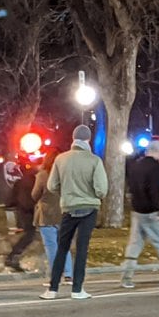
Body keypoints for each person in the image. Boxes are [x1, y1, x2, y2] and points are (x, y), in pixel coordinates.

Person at [40, 125, 108, 300]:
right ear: (88, 140)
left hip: (68, 208)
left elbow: (51, 186)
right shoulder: (94, 160)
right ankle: (77, 289)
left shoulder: (61, 159)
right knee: (82, 249)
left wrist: (67, 192)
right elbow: (102, 189)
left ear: (73, 138)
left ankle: (52, 289)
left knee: (62, 248)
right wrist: (92, 194)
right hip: (89, 208)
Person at [121, 136, 159, 289]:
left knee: (135, 245)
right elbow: (155, 192)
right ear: (158, 151)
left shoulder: (135, 165)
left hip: (137, 211)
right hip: (152, 212)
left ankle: (126, 276)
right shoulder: (155, 169)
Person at [31, 150, 71, 286]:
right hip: (64, 212)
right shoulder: (67, 175)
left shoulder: (43, 175)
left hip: (47, 214)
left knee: (51, 246)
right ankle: (68, 274)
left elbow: (35, 194)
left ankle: (55, 276)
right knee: (64, 244)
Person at [4, 164, 38, 270]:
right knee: (30, 234)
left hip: (23, 210)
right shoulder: (30, 180)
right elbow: (25, 199)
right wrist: (32, 208)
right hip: (27, 211)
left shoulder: (24, 179)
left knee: (30, 234)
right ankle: (13, 256)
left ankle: (14, 255)